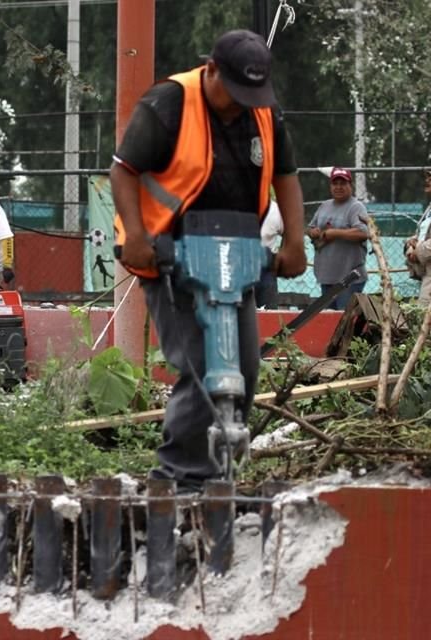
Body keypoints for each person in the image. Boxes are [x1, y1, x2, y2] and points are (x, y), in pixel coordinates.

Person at [110, 29, 307, 492]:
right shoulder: (169, 103)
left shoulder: (264, 112)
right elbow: (123, 169)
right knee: (200, 364)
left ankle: (218, 472)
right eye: (235, 92)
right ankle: (180, 479)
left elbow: (286, 176)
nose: (242, 104)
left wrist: (294, 242)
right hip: (170, 254)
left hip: (235, 251)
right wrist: (136, 236)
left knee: (242, 368)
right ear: (211, 69)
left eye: (251, 94)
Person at [307, 167, 370, 310]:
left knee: (343, 320)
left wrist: (335, 233)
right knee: (329, 321)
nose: (338, 187)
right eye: (335, 184)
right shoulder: (324, 205)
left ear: (350, 186)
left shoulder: (356, 207)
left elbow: (363, 233)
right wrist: (313, 232)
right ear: (331, 186)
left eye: (343, 183)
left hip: (349, 278)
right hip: (327, 276)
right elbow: (309, 228)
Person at [404, 167, 431, 306]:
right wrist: (410, 244)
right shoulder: (429, 208)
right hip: (425, 271)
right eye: (427, 177)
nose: (427, 180)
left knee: (425, 314)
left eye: (430, 177)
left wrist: (418, 251)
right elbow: (422, 234)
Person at [255, 196, 283, 308]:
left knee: (269, 312)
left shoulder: (276, 210)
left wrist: (281, 254)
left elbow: (288, 233)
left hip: (267, 269)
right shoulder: (237, 204)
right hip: (240, 266)